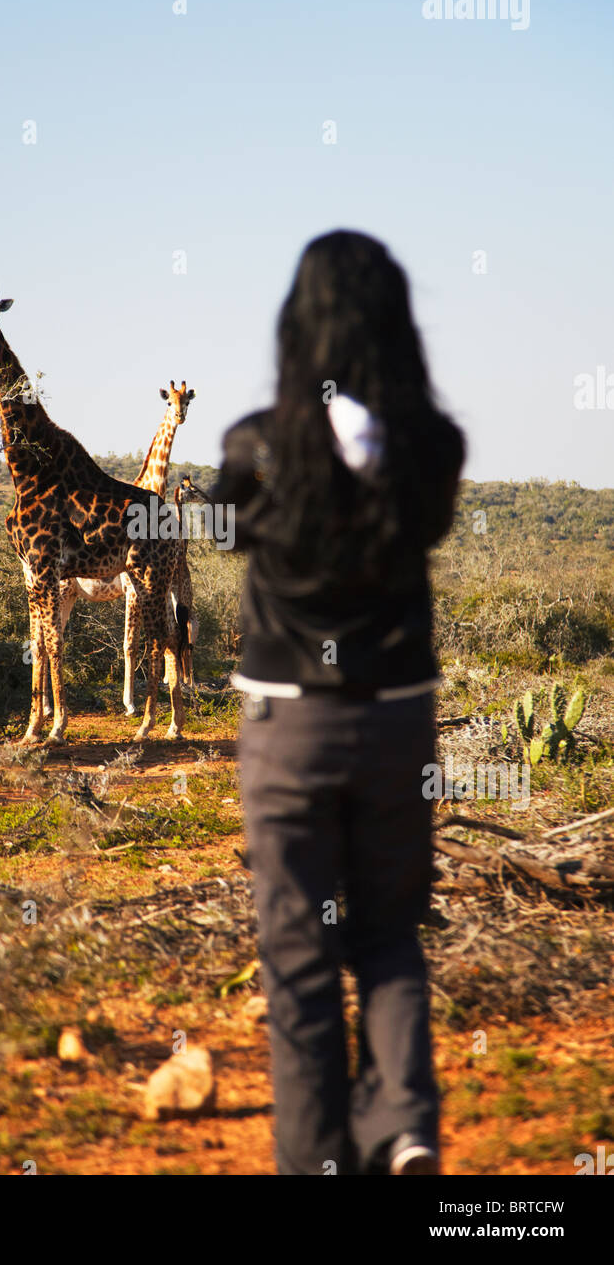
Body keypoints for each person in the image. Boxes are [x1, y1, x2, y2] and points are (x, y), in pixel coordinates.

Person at [212, 230, 465, 1176]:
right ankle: (402, 1125)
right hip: (398, 717)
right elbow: (426, 521)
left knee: (300, 960)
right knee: (391, 934)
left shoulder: (259, 445)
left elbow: (226, 518)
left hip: (289, 728)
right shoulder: (433, 447)